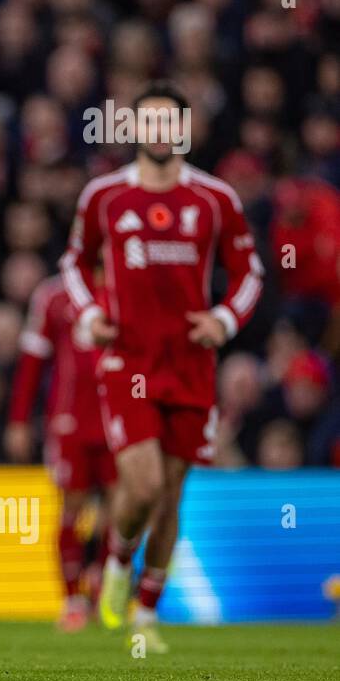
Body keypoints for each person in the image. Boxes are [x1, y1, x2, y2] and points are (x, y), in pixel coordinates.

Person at [59, 81, 263, 650]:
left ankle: (146, 607)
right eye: (146, 123)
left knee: (172, 494)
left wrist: (223, 320)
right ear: (133, 132)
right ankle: (118, 560)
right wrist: (89, 315)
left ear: (183, 131)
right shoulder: (103, 196)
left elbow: (250, 273)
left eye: (168, 123)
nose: (158, 133)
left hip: (191, 365)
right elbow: (75, 264)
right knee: (143, 482)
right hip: (129, 360)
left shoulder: (216, 199)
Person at [6, 271, 114, 632]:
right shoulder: (53, 294)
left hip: (121, 416)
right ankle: (72, 600)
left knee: (121, 507)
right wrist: (19, 419)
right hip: (69, 420)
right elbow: (33, 360)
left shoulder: (130, 285)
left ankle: (101, 594)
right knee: (73, 504)